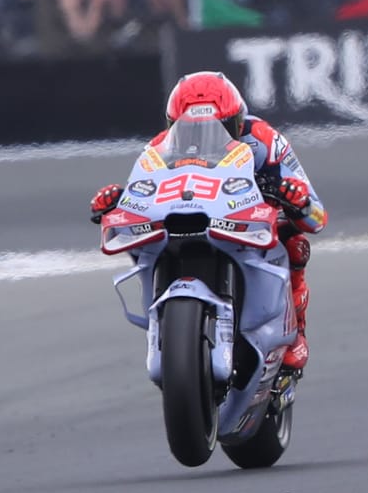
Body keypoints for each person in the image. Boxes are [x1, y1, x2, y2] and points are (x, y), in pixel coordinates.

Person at [88, 71, 328, 370]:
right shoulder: (158, 148)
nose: (202, 138)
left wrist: (297, 200)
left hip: (245, 215)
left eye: (220, 128)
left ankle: (296, 333)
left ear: (237, 122)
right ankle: (161, 312)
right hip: (189, 216)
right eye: (189, 130)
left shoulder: (265, 140)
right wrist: (115, 202)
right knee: (142, 241)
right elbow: (140, 198)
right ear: (173, 125)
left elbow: (318, 216)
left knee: (295, 244)